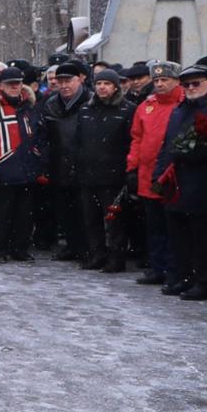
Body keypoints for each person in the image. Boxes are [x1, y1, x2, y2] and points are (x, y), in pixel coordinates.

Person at [152, 64, 207, 300]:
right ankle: (182, 278)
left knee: (202, 238)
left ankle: (203, 282)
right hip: (177, 183)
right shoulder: (179, 110)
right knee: (179, 236)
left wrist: (193, 153)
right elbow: (167, 145)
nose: (191, 88)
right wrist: (158, 174)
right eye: (187, 85)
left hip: (204, 182)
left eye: (196, 84)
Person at [0, 67, 45, 262]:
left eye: (18, 83)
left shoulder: (29, 106)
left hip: (27, 169)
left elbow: (38, 136)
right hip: (4, 168)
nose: (14, 87)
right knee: (3, 213)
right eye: (10, 84)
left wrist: (38, 160)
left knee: (25, 214)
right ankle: (0, 250)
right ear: (1, 86)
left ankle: (20, 248)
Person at [73, 68, 137, 272]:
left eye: (107, 84)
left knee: (114, 221)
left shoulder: (127, 109)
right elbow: (78, 140)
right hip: (88, 174)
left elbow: (132, 141)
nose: (102, 87)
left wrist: (128, 171)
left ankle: (116, 258)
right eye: (99, 83)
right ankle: (97, 255)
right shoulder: (85, 110)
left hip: (114, 176)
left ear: (116, 86)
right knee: (90, 219)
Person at [127, 61, 184, 286]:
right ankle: (157, 267)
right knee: (154, 227)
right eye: (157, 80)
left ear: (176, 81)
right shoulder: (146, 106)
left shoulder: (182, 104)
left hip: (172, 177)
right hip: (147, 176)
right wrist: (132, 167)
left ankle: (174, 270)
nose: (160, 84)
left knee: (173, 228)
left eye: (165, 80)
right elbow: (137, 138)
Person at [40, 60, 92, 259]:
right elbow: (43, 135)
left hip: (83, 165)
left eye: (68, 80)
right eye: (60, 81)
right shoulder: (51, 104)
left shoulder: (91, 101)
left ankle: (87, 248)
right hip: (58, 164)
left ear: (79, 80)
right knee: (65, 210)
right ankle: (72, 246)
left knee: (85, 211)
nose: (64, 85)